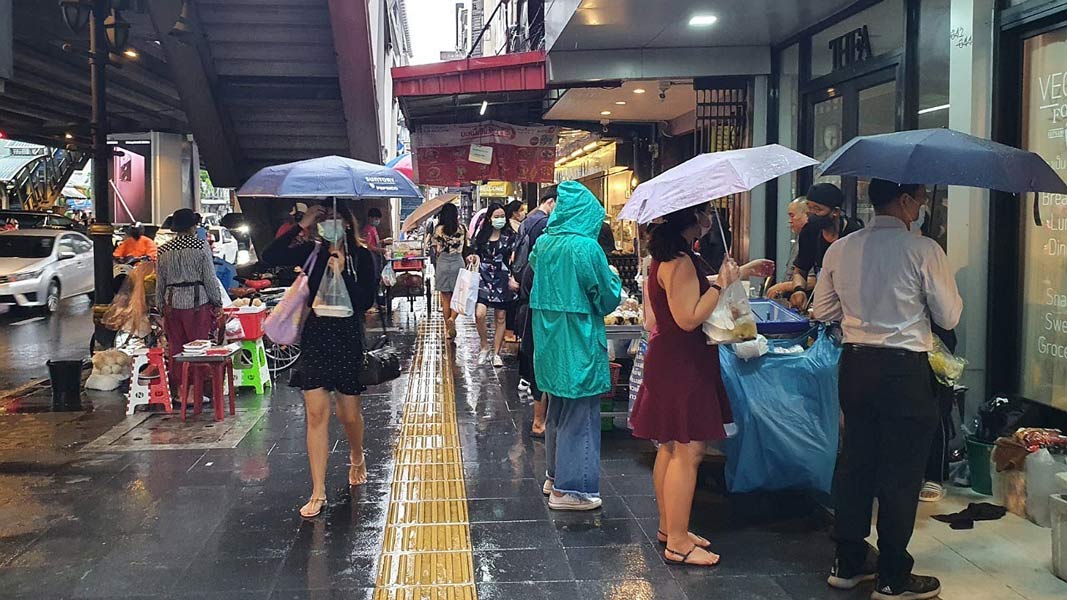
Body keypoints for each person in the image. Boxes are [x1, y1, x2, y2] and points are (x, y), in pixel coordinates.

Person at [814, 179, 962, 600]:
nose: (919, 206)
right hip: (904, 371)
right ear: (902, 200)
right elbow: (948, 317)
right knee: (901, 472)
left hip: (857, 366)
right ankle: (894, 574)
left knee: (856, 462)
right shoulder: (924, 250)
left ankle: (848, 560)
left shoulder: (841, 248)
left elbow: (822, 309)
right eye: (917, 198)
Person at [629, 203, 774, 567]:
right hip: (682, 363)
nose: (710, 220)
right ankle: (677, 541)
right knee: (688, 451)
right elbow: (689, 317)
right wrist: (725, 284)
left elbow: (691, 293)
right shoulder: (678, 261)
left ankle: (670, 528)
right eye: (706, 214)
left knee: (671, 447)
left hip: (675, 360)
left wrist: (740, 271)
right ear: (692, 220)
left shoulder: (672, 257)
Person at [263, 201, 378, 519]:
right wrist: (303, 223)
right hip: (316, 339)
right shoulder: (311, 254)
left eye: (336, 220)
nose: (330, 226)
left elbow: (366, 300)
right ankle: (318, 490)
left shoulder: (362, 256)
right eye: (324, 220)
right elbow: (270, 257)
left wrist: (344, 274)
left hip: (347, 340)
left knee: (349, 414)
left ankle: (357, 454)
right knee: (316, 414)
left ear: (348, 224)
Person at [531, 180, 621, 511]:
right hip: (578, 338)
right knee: (581, 412)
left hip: (549, 339)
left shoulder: (544, 243)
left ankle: (554, 476)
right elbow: (607, 297)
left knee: (557, 406)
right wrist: (614, 278)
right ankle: (571, 490)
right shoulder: (585, 248)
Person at [156, 209, 223, 374]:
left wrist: (159, 306)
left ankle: (180, 389)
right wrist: (217, 302)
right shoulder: (200, 246)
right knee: (197, 348)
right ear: (193, 226)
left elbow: (160, 281)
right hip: (197, 304)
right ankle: (194, 389)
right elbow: (209, 278)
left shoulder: (163, 250)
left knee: (175, 347)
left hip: (171, 304)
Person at [514, 187, 557, 438]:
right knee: (542, 371)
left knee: (537, 368)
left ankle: (539, 421)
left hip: (530, 317)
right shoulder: (547, 260)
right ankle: (540, 421)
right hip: (539, 322)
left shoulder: (535, 259)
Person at [789, 183, 863, 310]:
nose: (811, 213)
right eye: (809, 207)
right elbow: (800, 270)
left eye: (817, 209)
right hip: (820, 306)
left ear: (835, 212)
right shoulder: (809, 231)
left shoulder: (854, 235)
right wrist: (798, 289)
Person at [471, 202, 517, 367]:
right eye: (496, 216)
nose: (500, 219)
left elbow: (514, 259)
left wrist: (513, 276)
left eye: (502, 216)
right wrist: (473, 258)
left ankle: (496, 352)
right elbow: (474, 252)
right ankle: (484, 346)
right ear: (490, 218)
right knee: (479, 314)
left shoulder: (511, 236)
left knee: (501, 316)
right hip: (483, 277)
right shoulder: (481, 235)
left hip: (502, 278)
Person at [431, 203, 471, 339]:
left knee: (445, 298)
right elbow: (467, 245)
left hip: (443, 262)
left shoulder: (438, 230)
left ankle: (447, 330)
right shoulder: (462, 228)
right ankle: (452, 319)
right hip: (457, 262)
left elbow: (435, 248)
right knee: (458, 296)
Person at [766, 198, 809, 298]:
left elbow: (812, 280)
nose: (789, 221)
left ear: (807, 215)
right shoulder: (799, 238)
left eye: (792, 216)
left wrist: (782, 286)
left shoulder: (812, 240)